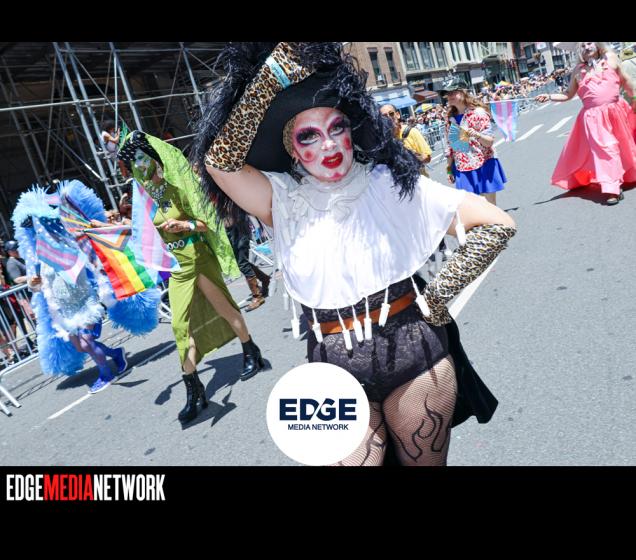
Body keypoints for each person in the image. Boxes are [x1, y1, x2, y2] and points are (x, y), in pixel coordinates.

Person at [193, 42, 516, 466]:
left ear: (351, 131)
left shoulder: (390, 182)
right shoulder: (281, 199)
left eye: (336, 128)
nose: (328, 145)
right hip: (331, 370)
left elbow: (497, 224)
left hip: (415, 357)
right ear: (292, 149)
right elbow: (219, 162)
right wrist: (272, 77)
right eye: (309, 135)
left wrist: (438, 296)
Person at [118, 131, 267, 425]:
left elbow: (204, 222)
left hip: (198, 258)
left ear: (156, 160)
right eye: (135, 162)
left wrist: (183, 224)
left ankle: (251, 351)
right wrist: (100, 230)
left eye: (142, 159)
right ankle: (194, 389)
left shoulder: (178, 187)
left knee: (225, 308)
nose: (139, 166)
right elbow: (139, 234)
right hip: (177, 268)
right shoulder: (146, 200)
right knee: (179, 326)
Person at [12, 182, 161, 393]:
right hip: (64, 309)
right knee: (80, 346)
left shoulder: (74, 245)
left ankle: (106, 374)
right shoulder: (43, 256)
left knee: (87, 342)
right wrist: (33, 282)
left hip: (85, 302)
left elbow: (94, 264)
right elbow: (37, 283)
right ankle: (116, 354)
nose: (43, 231)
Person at [536, 42, 636, 205]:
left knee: (624, 146)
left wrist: (634, 98)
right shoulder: (578, 71)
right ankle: (613, 188)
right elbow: (568, 94)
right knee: (607, 148)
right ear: (579, 51)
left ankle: (622, 175)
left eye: (589, 43)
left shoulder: (611, 59)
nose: (587, 47)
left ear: (598, 45)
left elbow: (625, 80)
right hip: (594, 118)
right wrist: (549, 97)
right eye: (582, 45)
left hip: (616, 111)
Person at [442, 76, 507, 207]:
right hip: (462, 166)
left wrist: (477, 135)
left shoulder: (478, 113)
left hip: (484, 162)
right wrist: (449, 169)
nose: (449, 96)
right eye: (447, 93)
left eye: (453, 92)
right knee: (473, 207)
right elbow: (451, 146)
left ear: (463, 92)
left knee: (489, 206)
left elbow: (489, 142)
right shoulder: (450, 118)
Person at [224, 214, 271, 311]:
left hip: (238, 227)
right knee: (241, 262)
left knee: (242, 263)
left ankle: (257, 296)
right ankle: (264, 279)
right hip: (230, 229)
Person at [380, 104, 432, 176]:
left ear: (397, 115)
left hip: (419, 178)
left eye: (391, 114)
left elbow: (427, 158)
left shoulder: (411, 131)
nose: (389, 117)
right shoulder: (383, 140)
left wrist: (409, 156)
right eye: (384, 116)